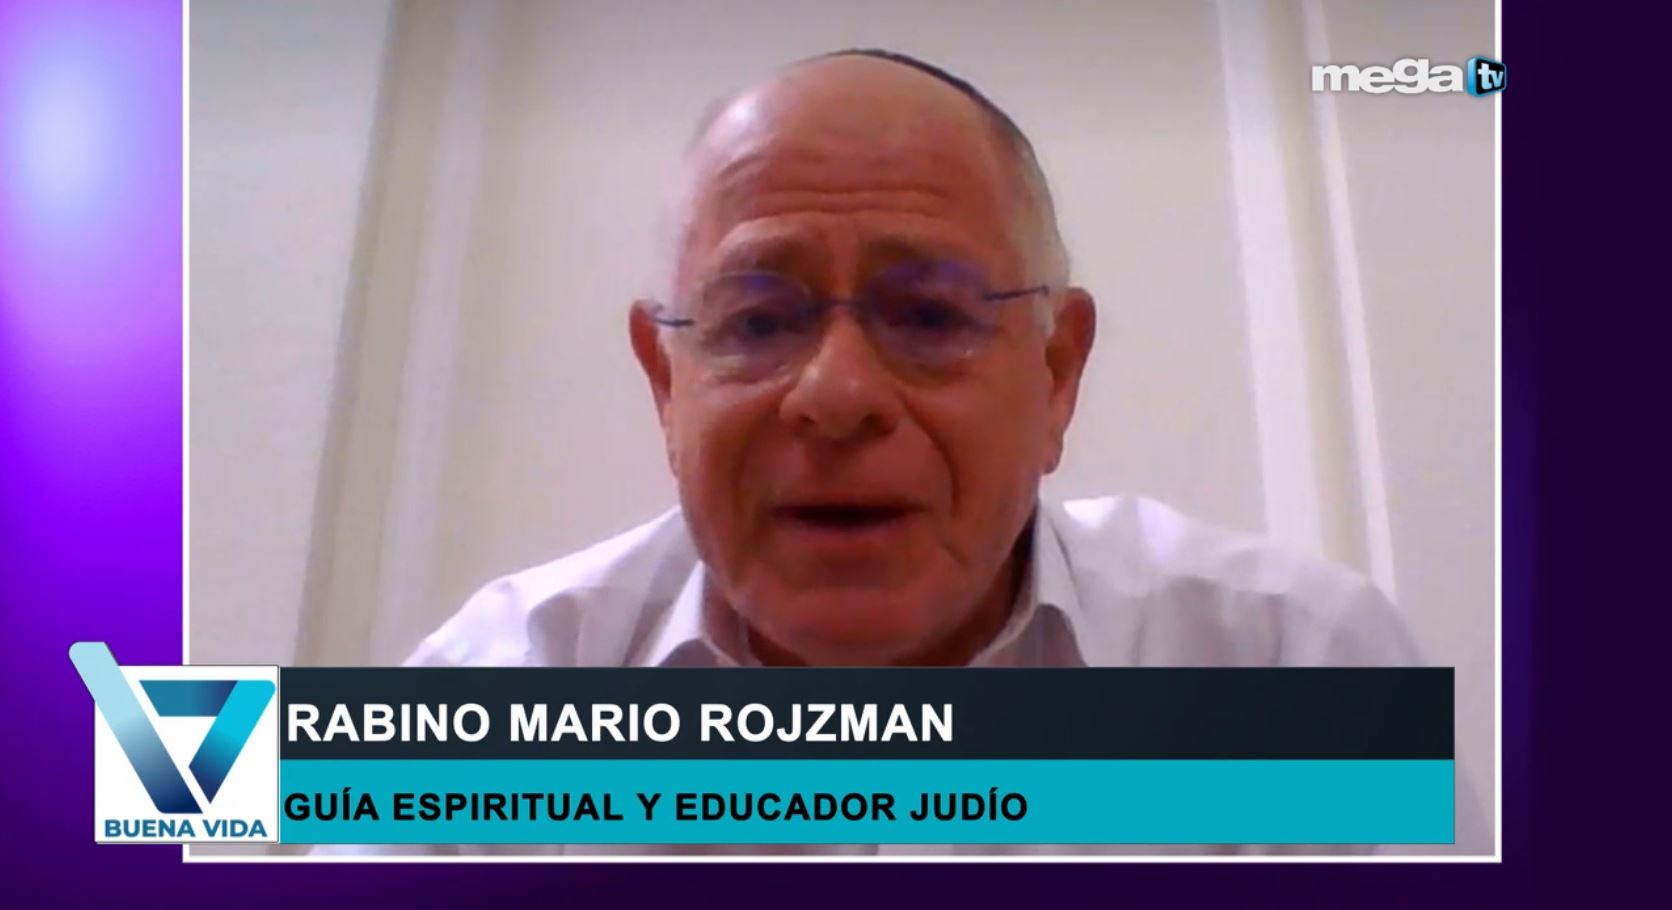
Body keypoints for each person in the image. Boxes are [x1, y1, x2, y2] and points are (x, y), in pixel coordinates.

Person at [321, 49, 1481, 856]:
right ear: (666, 383)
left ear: (1055, 373)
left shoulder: (1294, 669)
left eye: (928, 315)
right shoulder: (487, 693)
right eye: (759, 321)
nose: (837, 396)